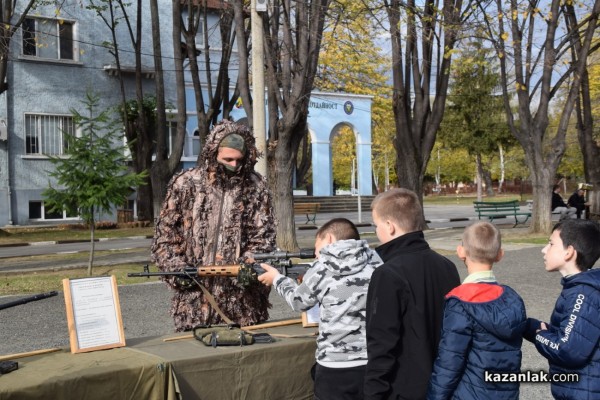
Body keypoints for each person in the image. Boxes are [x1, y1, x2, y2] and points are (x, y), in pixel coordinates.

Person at [150, 120, 276, 332]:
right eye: (227, 159)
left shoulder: (256, 187)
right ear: (213, 153)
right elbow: (165, 237)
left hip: (243, 306)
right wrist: (178, 270)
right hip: (194, 305)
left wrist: (248, 267)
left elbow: (264, 237)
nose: (234, 166)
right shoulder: (186, 184)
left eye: (239, 160)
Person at [258, 218, 383, 400]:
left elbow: (298, 302)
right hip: (373, 361)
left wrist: (277, 279)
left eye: (318, 247)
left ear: (330, 239)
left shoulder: (323, 266)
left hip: (334, 364)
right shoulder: (375, 259)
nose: (317, 254)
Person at [364, 188, 461, 400]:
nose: (376, 231)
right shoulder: (447, 266)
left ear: (389, 226)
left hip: (403, 388)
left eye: (376, 225)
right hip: (445, 383)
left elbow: (381, 343)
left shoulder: (387, 274)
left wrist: (373, 394)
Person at [427, 222, 527, 400]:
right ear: (500, 255)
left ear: (460, 252)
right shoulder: (513, 298)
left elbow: (450, 361)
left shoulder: (460, 302)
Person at [523, 219, 600, 399]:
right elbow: (573, 335)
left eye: (551, 244)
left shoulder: (582, 293)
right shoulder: (578, 288)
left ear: (569, 252)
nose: (544, 250)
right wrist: (528, 326)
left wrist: (538, 335)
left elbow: (568, 350)